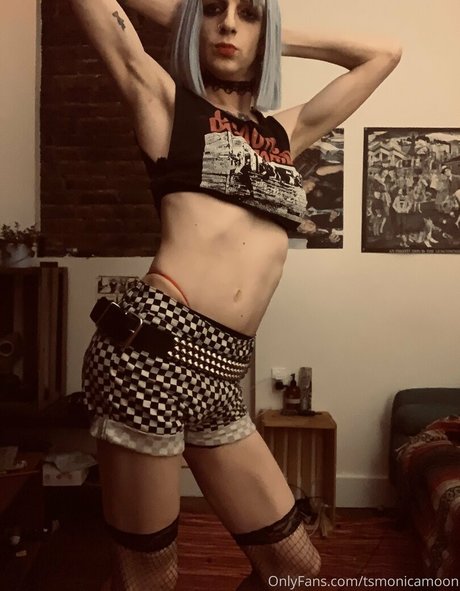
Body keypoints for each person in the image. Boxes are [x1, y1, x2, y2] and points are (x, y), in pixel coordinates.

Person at [70, 0, 402, 589]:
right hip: (153, 352)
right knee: (151, 577)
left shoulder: (283, 133)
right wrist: (188, 19)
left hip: (223, 372)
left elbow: (383, 54)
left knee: (295, 567)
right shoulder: (168, 103)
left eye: (248, 14)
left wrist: (268, 32)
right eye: (214, 11)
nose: (229, 24)